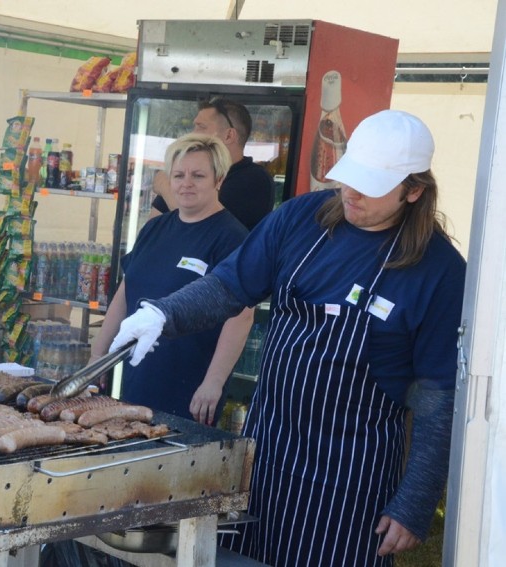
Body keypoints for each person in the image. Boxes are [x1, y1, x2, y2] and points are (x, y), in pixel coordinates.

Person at [109, 110, 466, 566]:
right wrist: (165, 313)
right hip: (269, 450)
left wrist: (416, 500)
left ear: (413, 191)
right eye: (349, 177)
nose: (350, 193)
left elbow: (439, 398)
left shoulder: (440, 272)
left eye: (370, 186)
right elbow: (227, 287)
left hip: (351, 473)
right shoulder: (301, 219)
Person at [92, 133, 253, 423]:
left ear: (219, 179)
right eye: (178, 175)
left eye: (198, 175)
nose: (186, 183)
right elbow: (124, 294)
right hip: (138, 377)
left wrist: (214, 382)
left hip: (191, 387)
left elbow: (241, 317)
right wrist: (98, 357)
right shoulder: (154, 229)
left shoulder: (232, 238)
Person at [148, 98, 275, 230]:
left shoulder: (254, 179)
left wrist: (164, 188)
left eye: (201, 127)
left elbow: (204, 226)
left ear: (229, 136)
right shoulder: (186, 171)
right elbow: (153, 226)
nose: (192, 133)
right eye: (179, 176)